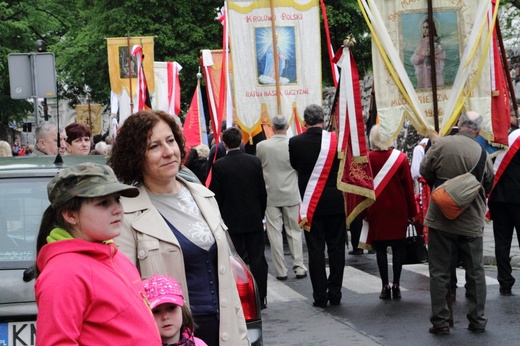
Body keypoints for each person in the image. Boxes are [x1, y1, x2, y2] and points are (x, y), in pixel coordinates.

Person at [107, 110, 249, 346]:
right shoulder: (125, 213)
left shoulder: (205, 197)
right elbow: (124, 297)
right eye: (154, 146)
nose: (168, 152)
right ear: (135, 157)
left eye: (170, 140)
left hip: (225, 333)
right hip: (166, 338)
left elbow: (229, 285)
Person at [34, 162, 161, 345]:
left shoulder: (114, 255)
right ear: (70, 215)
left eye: (117, 199)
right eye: (103, 203)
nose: (117, 209)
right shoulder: (64, 273)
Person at [420, 111, 494, 335]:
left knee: (439, 272)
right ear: (478, 131)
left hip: (441, 219)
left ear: (459, 125)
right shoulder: (482, 153)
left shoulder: (441, 145)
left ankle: (441, 322)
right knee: (475, 272)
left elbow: (425, 171)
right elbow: (488, 184)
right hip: (471, 221)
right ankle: (477, 320)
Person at [288, 104, 346, 308]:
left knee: (315, 250)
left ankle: (320, 296)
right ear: (323, 119)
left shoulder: (295, 142)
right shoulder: (336, 140)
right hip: (336, 202)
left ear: (305, 121)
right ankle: (335, 292)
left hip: (311, 204)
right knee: (337, 249)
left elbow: (296, 165)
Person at [209, 127, 268, 308]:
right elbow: (262, 191)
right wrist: (260, 213)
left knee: (236, 260)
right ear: (241, 141)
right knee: (258, 259)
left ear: (224, 143)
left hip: (231, 220)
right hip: (253, 218)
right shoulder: (254, 162)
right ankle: (261, 297)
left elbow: (216, 195)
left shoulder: (219, 166)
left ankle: (240, 297)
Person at [362, 124, 417, 300]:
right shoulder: (400, 159)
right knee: (398, 248)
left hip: (377, 209)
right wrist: (412, 212)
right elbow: (408, 188)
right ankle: (397, 285)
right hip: (397, 209)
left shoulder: (367, 159)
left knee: (380, 249)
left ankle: (384, 285)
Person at [256, 115, 307, 280]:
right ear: (287, 126)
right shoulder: (294, 143)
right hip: (291, 192)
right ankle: (299, 266)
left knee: (274, 233)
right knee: (294, 231)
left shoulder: (262, 146)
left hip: (270, 192)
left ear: (272, 126)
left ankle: (280, 270)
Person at [488, 128, 520, 296]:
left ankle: (504, 281)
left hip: (498, 198)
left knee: (502, 242)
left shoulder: (499, 142)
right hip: (518, 199)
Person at [143, 274, 207, 346]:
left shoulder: (199, 344)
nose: (165, 317)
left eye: (171, 308)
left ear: (182, 309)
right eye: (156, 311)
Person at [410, 18, 446, 89]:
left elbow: (442, 57)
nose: (425, 30)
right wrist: (423, 56)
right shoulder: (421, 42)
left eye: (427, 27)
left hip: (434, 74)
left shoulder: (438, 41)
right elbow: (413, 59)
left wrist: (430, 53)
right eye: (423, 27)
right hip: (423, 74)